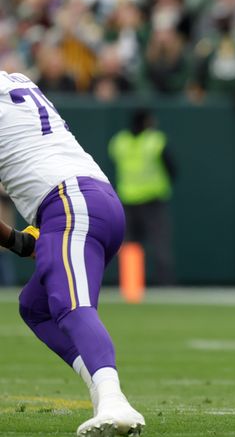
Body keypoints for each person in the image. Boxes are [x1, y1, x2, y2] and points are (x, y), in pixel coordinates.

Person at [0, 70, 145, 436]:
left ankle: (114, 402)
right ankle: (104, 396)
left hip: (69, 203)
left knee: (70, 305)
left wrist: (18, 240)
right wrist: (20, 242)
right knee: (36, 307)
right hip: (93, 200)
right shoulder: (16, 81)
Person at [108, 108, 176, 285]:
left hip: (127, 197)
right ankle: (164, 282)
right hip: (152, 198)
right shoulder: (154, 140)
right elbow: (172, 167)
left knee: (128, 243)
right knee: (159, 242)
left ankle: (130, 284)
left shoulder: (119, 142)